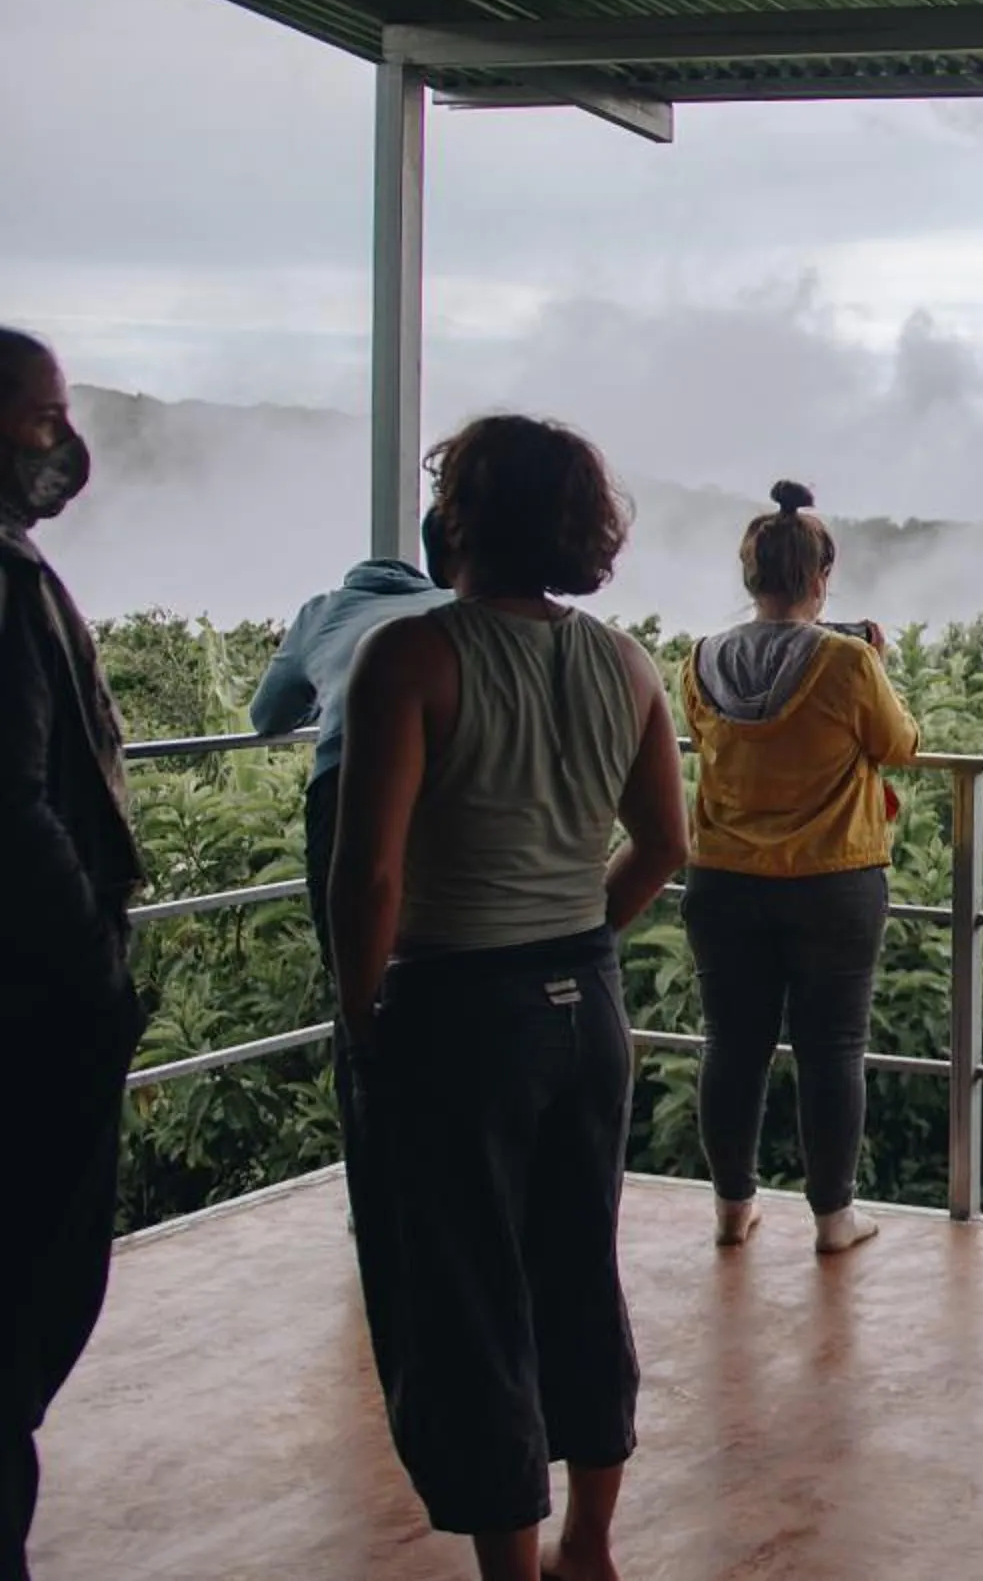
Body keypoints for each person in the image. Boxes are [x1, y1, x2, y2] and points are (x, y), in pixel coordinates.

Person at [329, 416, 686, 1581]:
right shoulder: (626, 663)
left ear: (464, 517)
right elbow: (664, 843)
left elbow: (369, 874)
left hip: (457, 1009)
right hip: (587, 1006)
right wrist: (578, 937)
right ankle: (589, 1542)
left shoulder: (410, 657)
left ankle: (509, 1568)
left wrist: (362, 1015)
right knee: (580, 1267)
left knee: (471, 1293)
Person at [683, 480, 919, 1256]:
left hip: (723, 878)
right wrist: (878, 664)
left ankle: (731, 1209)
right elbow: (900, 745)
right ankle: (832, 1219)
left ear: (749, 575)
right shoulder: (847, 661)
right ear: (822, 577)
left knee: (731, 1045)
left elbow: (711, 739)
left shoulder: (700, 660)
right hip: (833, 881)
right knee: (832, 1050)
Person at [0, 331, 142, 1581]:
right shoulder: (7, 587)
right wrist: (93, 960)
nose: (63, 442)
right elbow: (16, 800)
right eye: (47, 417)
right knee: (32, 1283)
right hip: (36, 1001)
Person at [247, 552, 449, 1132]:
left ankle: (373, 1134)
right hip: (449, 779)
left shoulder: (323, 612)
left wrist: (327, 692)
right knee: (444, 954)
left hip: (346, 776)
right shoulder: (453, 606)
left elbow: (268, 714)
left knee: (357, 965)